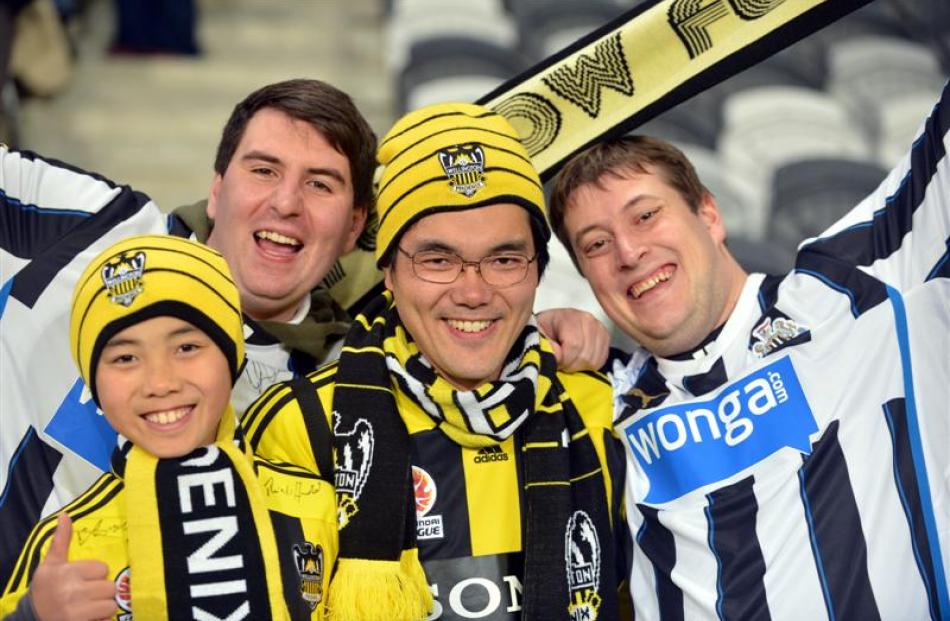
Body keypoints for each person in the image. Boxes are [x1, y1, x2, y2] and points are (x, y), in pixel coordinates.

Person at [547, 81, 950, 618]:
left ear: (709, 215)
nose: (628, 251)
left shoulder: (856, 283)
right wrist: (531, 329)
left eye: (645, 215)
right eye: (596, 244)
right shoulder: (602, 396)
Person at [241, 102, 626, 621]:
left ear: (537, 272)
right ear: (390, 275)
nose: (473, 291)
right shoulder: (301, 425)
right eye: (438, 260)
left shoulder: (605, 408)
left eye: (504, 260)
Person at [1, 235, 337, 620]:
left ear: (233, 358)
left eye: (187, 348)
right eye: (125, 357)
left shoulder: (314, 505)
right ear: (94, 386)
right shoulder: (66, 546)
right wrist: (32, 615)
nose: (160, 383)